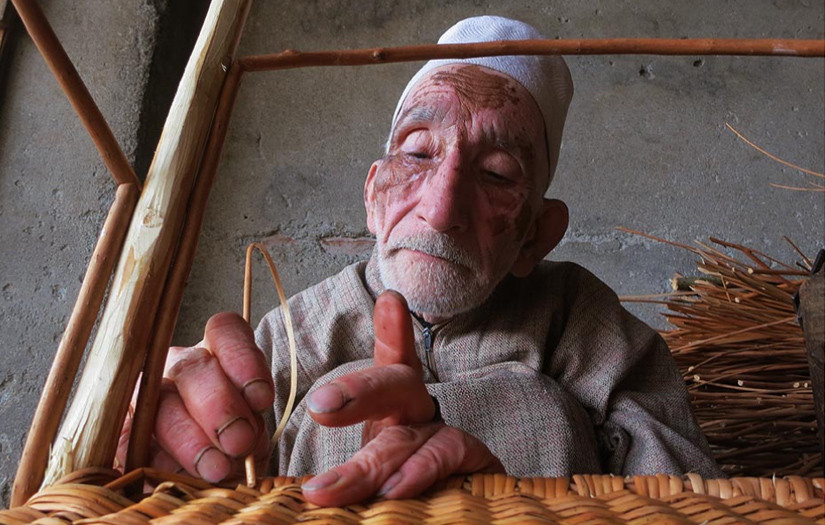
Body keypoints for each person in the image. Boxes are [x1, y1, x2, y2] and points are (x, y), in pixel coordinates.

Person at [119, 15, 722, 507]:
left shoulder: (587, 326)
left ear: (536, 235)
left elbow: (691, 501)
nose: (440, 208)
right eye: (417, 153)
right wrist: (161, 445)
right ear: (374, 195)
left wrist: (503, 456)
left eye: (495, 174)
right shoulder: (290, 337)